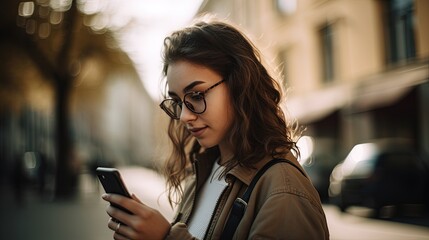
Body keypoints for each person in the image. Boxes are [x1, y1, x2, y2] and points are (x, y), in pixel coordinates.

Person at [101, 17, 330, 239]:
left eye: (197, 95)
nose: (184, 116)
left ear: (240, 84)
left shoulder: (284, 191)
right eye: (178, 102)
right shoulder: (205, 171)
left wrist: (165, 237)